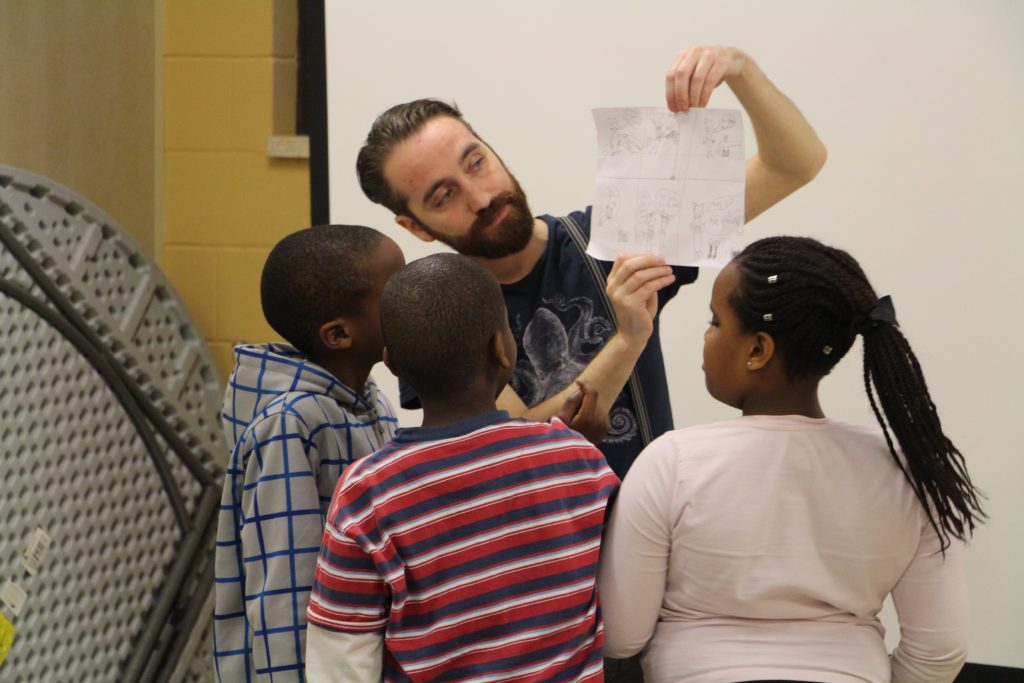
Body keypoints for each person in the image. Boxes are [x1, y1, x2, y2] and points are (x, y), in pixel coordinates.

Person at [354, 45, 827, 479]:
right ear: (415, 226)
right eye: (443, 195)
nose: (480, 197)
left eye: (476, 162)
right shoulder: (434, 313)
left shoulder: (617, 238)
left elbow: (795, 165)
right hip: (538, 563)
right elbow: (508, 444)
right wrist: (627, 340)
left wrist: (741, 69)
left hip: (656, 537)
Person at [598, 236, 986, 683]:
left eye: (715, 321)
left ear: (757, 350)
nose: (707, 335)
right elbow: (940, 651)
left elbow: (621, 636)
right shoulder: (906, 472)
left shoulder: (672, 461)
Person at [303, 253, 620, 681]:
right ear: (502, 349)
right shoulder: (576, 458)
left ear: (392, 364)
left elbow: (340, 663)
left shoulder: (366, 493)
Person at [213, 224, 405, 682]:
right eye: (397, 291)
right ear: (339, 334)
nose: (414, 298)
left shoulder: (368, 399)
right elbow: (284, 593)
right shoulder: (291, 424)